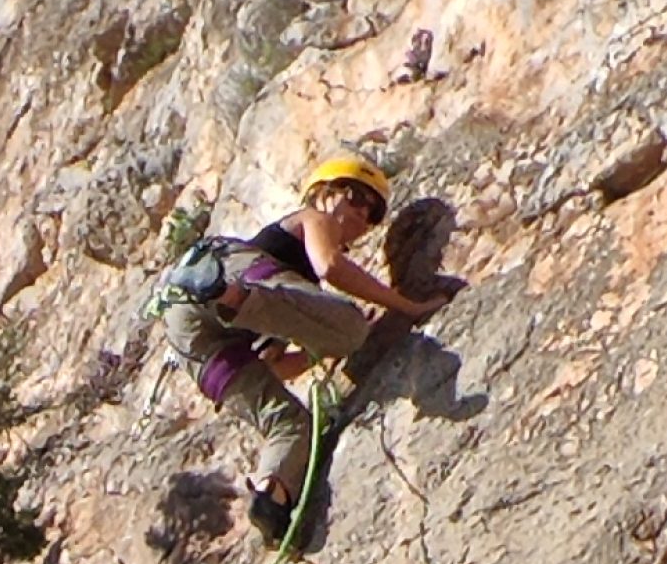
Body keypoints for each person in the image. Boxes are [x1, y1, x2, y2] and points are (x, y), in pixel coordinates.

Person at [162, 153, 457, 537]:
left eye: (372, 216)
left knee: (291, 424)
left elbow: (272, 365)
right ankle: (231, 296)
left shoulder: (296, 305)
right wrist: (408, 306)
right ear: (327, 194)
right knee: (352, 328)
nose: (362, 219)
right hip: (229, 273)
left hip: (189, 334)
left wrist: (320, 348)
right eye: (357, 199)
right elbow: (329, 266)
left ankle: (272, 501)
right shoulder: (311, 218)